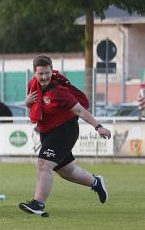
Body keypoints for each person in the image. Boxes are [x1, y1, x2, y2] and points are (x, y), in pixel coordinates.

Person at [19, 55, 111, 217]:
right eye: (40, 74)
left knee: (44, 165)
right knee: (66, 171)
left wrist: (98, 126)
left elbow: (80, 110)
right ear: (35, 73)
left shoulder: (58, 91)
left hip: (65, 130)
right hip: (47, 132)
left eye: (47, 73)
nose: (44, 77)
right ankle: (96, 182)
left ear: (51, 70)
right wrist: (26, 102)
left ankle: (38, 203)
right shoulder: (32, 86)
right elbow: (33, 107)